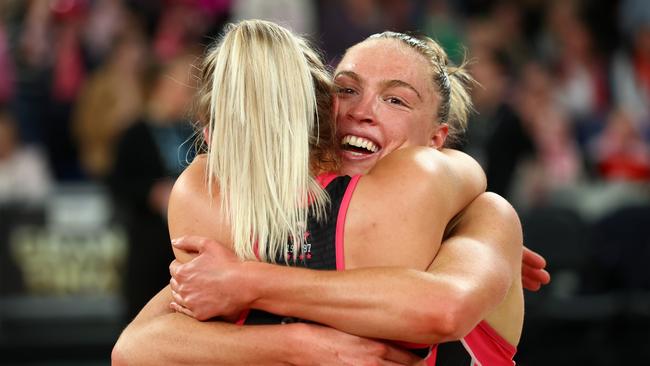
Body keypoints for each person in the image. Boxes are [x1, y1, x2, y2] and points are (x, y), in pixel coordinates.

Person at [113, 21, 545, 365]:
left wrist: (249, 282)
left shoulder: (484, 214)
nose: (361, 112)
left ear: (437, 141)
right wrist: (296, 344)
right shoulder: (260, 214)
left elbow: (443, 310)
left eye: (395, 100)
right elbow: (136, 347)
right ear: (317, 102)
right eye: (348, 90)